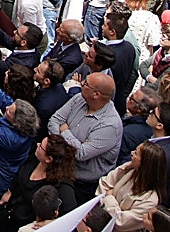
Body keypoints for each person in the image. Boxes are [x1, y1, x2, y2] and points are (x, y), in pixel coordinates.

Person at [47, 72, 122, 202]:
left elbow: (81, 153)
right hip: (59, 168)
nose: (81, 84)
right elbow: (54, 120)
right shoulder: (79, 98)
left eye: (86, 84)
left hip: (81, 184)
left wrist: (65, 131)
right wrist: (71, 143)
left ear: (96, 94)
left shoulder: (110, 125)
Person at [98, 142, 170, 232]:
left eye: (136, 153)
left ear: (144, 163)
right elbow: (104, 183)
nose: (131, 153)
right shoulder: (129, 169)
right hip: (100, 219)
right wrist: (113, 206)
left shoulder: (150, 200)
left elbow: (121, 222)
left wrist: (109, 198)